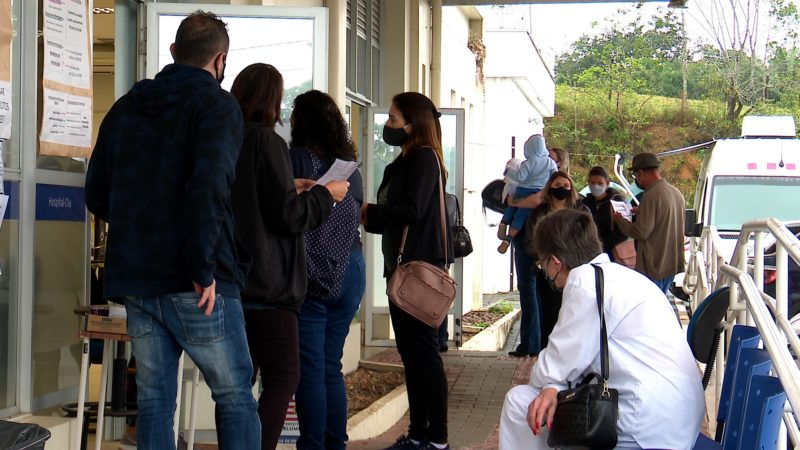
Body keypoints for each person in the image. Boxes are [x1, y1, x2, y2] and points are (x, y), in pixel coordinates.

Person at [85, 12, 261, 449]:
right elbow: (210, 186)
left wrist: (140, 227)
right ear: (220, 59)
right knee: (235, 395)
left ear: (173, 53)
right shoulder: (217, 106)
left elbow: (96, 194)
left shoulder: (126, 107)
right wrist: (202, 267)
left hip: (138, 282)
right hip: (197, 281)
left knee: (154, 399)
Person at [499, 209, 704, 450]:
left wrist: (550, 384)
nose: (547, 275)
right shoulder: (625, 277)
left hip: (645, 424)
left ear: (555, 261)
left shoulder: (584, 281)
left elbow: (557, 362)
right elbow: (571, 361)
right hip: (677, 419)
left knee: (520, 402)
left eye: (543, 266)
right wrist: (554, 383)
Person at [229, 65, 348, 450]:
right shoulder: (268, 141)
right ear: (273, 100)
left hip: (235, 279)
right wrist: (325, 195)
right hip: (270, 284)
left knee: (237, 385)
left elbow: (252, 199)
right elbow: (288, 216)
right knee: (285, 377)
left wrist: (291, 185)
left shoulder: (231, 138)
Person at [362, 92, 454, 450]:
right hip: (400, 270)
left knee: (424, 356)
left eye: (393, 119)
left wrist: (369, 211)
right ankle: (418, 434)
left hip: (418, 272)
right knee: (412, 357)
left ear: (413, 125)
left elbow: (411, 211)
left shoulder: (425, 159)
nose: (387, 125)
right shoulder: (404, 161)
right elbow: (395, 215)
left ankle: (438, 438)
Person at [288, 90, 364, 450]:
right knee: (330, 364)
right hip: (350, 267)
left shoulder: (296, 159)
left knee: (311, 370)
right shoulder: (349, 164)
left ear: (299, 123)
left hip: (312, 273)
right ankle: (336, 444)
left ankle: (313, 446)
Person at [521, 171, 589, 352]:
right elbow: (530, 242)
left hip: (575, 272)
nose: (562, 189)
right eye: (557, 185)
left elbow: (589, 240)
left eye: (566, 186)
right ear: (550, 187)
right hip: (548, 274)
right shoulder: (539, 213)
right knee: (549, 316)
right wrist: (547, 258)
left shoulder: (582, 211)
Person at [612, 152, 685, 294]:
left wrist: (620, 220)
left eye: (635, 176)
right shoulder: (676, 193)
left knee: (652, 309)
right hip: (671, 263)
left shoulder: (651, 195)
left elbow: (640, 232)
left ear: (641, 173)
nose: (636, 180)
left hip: (654, 265)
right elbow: (664, 219)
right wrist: (641, 211)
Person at [497, 134, 557, 254]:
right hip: (538, 191)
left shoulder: (528, 163)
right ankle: (509, 239)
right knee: (521, 215)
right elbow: (555, 177)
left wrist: (509, 171)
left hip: (523, 189)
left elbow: (520, 176)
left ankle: (503, 223)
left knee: (512, 206)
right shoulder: (551, 163)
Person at [582, 166, 629, 261]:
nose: (596, 186)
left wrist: (601, 244)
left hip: (612, 254)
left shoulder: (617, 201)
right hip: (589, 254)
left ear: (607, 184)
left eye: (600, 183)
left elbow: (623, 232)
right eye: (592, 183)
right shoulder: (584, 203)